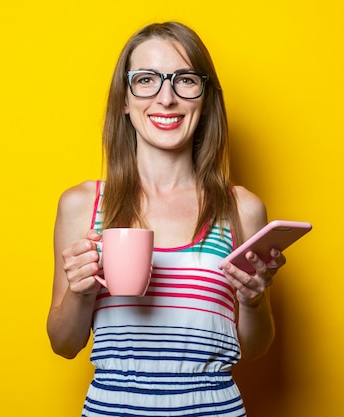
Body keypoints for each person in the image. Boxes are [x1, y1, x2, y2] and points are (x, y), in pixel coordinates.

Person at [47, 21, 285, 416]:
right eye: (146, 80)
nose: (166, 97)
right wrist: (80, 289)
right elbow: (64, 344)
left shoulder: (242, 209)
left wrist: (254, 301)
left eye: (185, 80)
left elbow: (255, 348)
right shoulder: (83, 204)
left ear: (205, 97)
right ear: (124, 99)